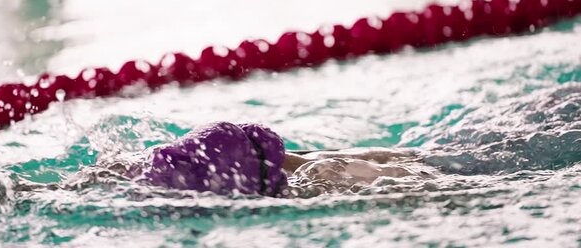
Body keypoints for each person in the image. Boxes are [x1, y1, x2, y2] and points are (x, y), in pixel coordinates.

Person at [121, 121, 437, 197]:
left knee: (317, 178)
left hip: (207, 169)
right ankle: (430, 160)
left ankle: (432, 167)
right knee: (306, 166)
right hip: (210, 150)